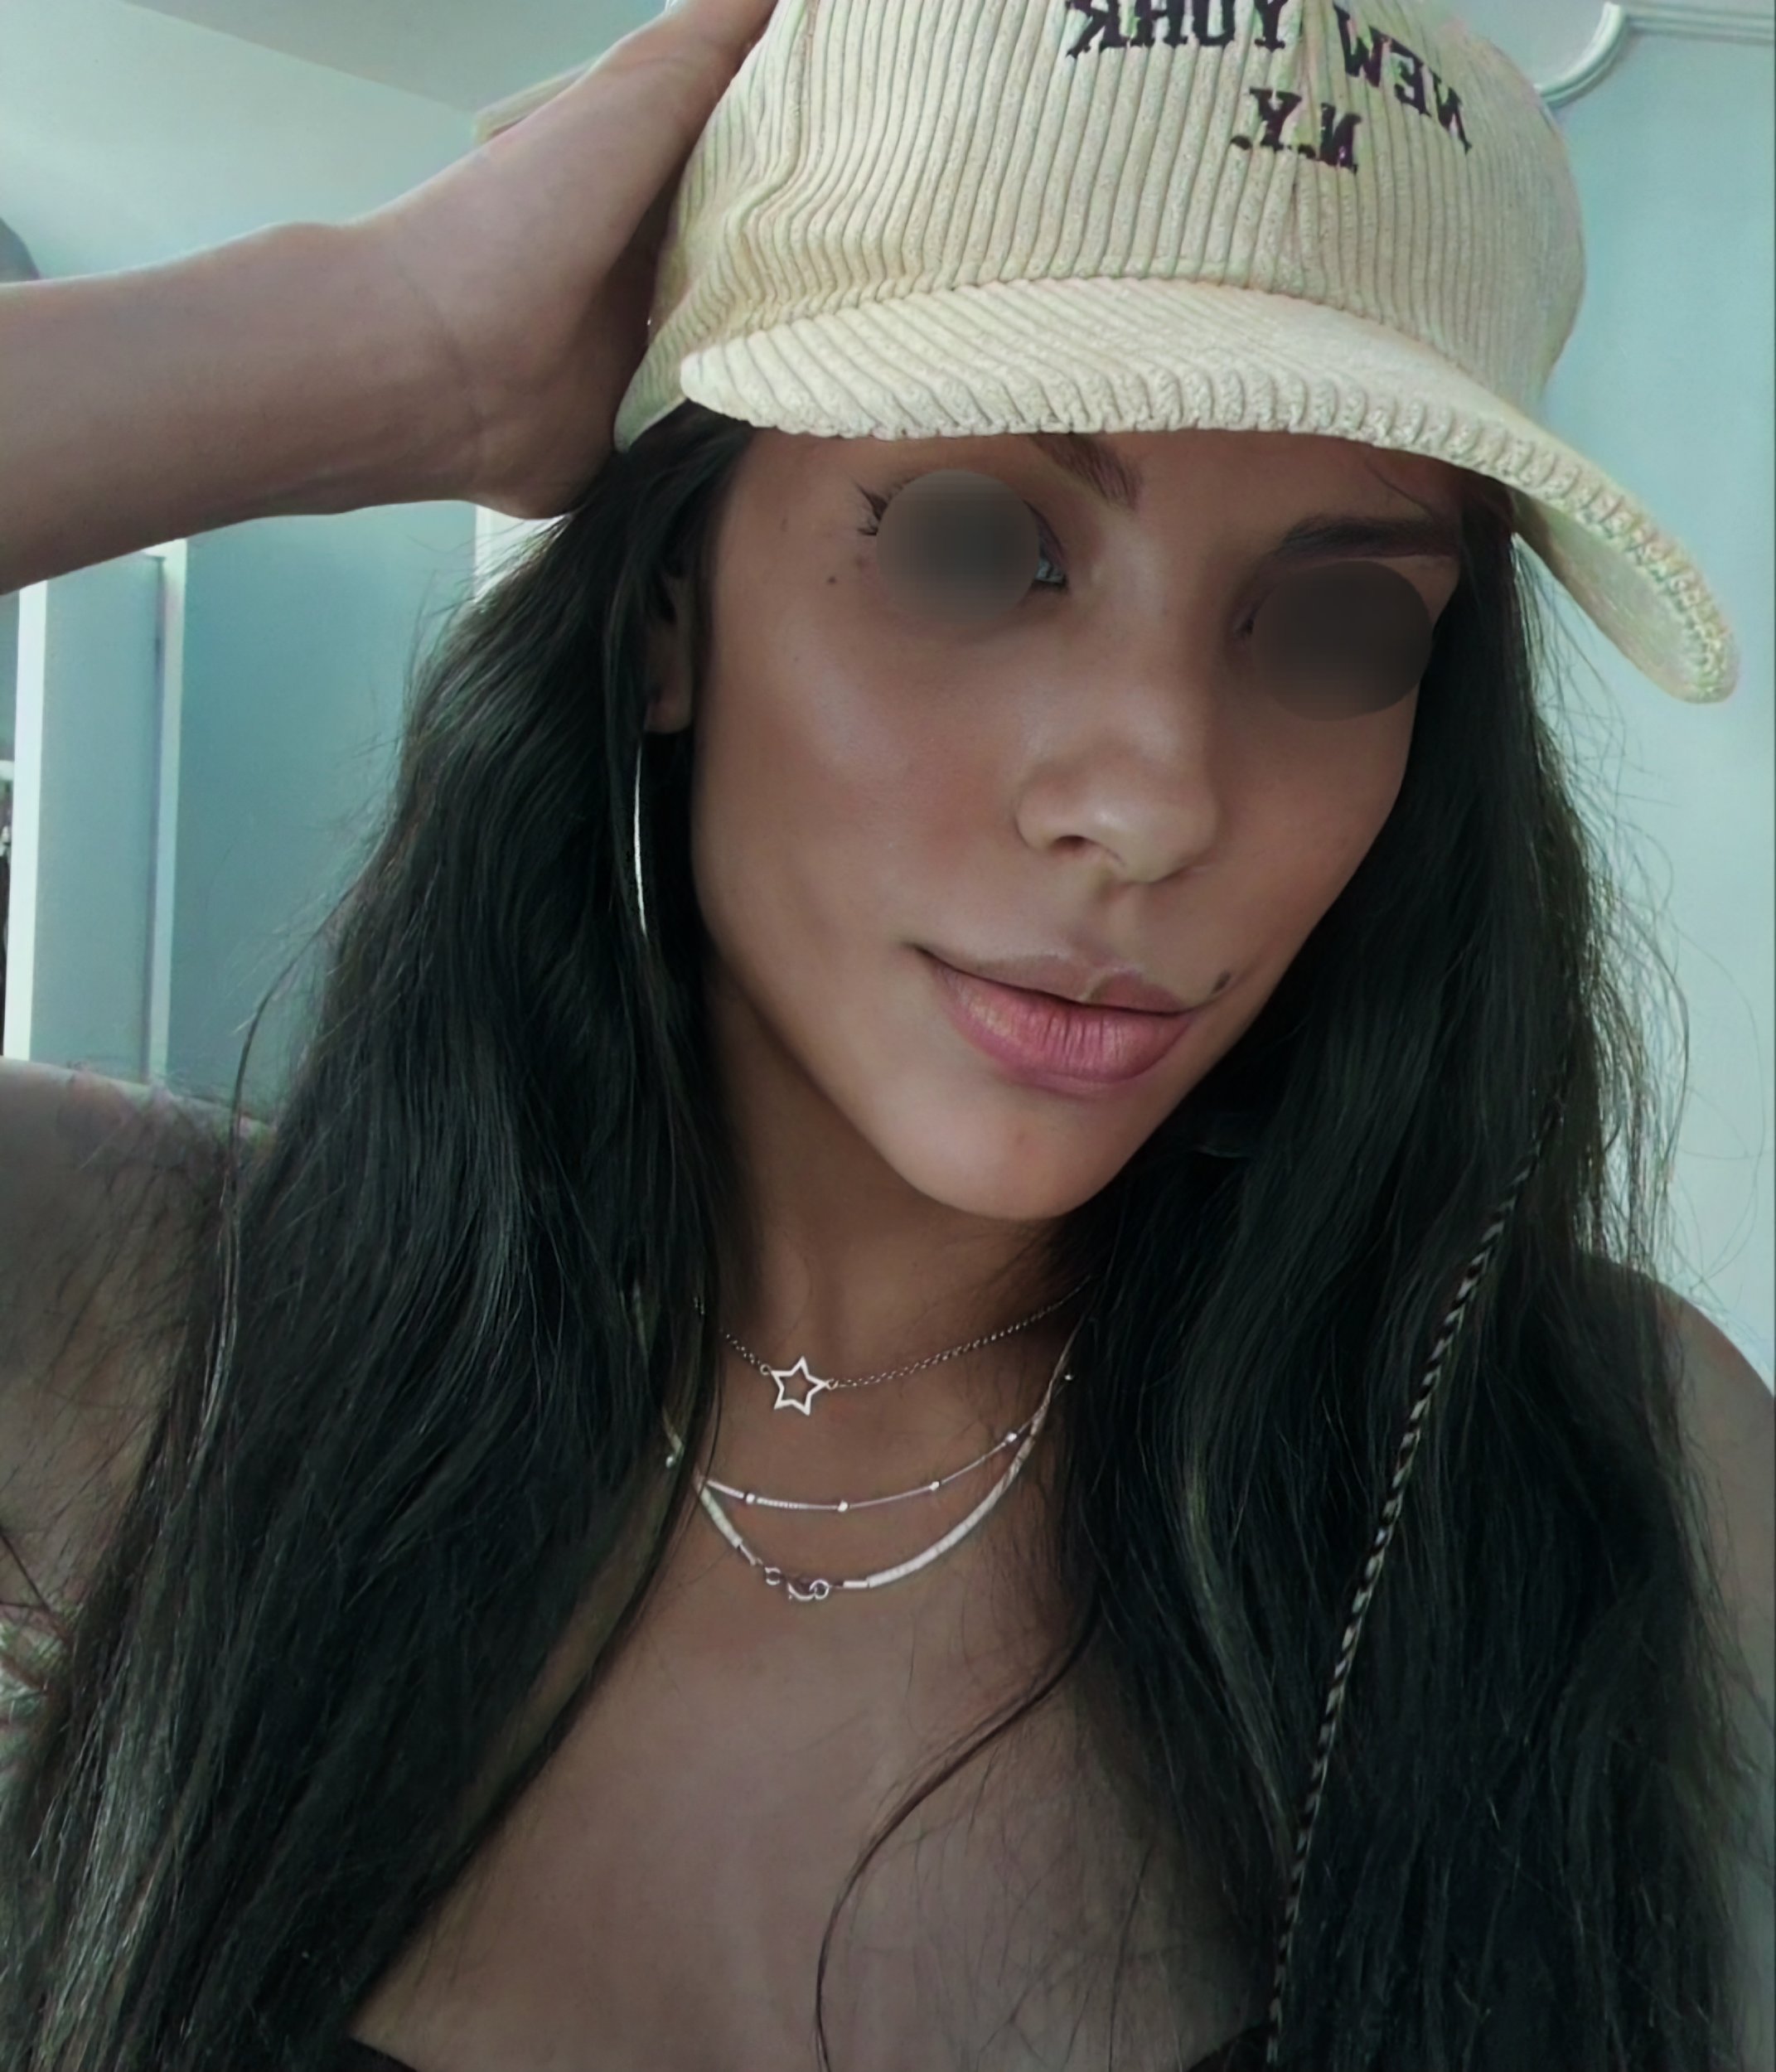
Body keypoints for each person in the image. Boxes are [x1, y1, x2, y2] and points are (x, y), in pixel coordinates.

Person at [0, 0, 1769, 2067]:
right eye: (971, 542)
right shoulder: (143, 1331)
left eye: (1336, 623)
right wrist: (397, 344)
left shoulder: (1599, 1455)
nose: (1155, 798)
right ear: (669, 610)